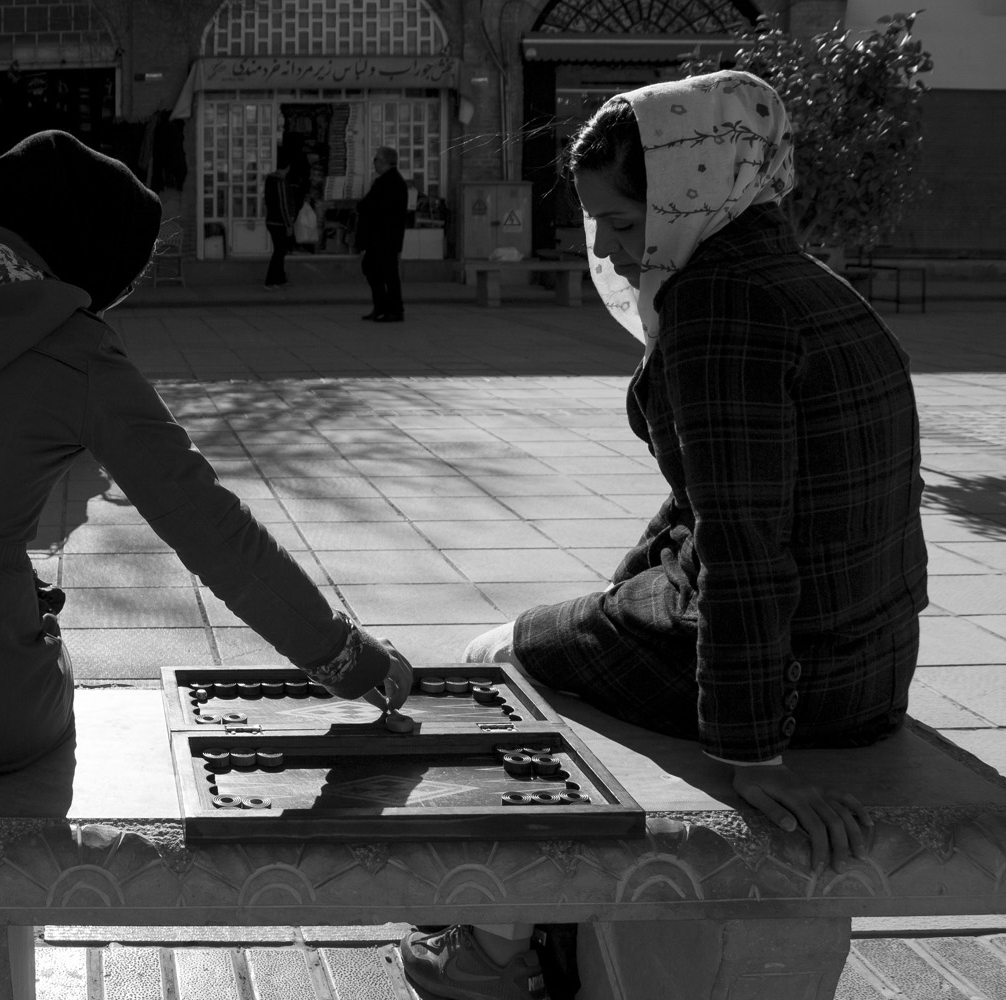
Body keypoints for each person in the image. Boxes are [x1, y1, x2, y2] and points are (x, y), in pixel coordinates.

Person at [400, 70, 928, 1000]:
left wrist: (752, 754)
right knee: (572, 626)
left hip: (796, 683)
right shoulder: (811, 283)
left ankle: (492, 950)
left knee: (489, 664)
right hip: (870, 669)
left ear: (692, 193)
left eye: (622, 221)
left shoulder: (720, 306)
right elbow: (713, 504)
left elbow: (744, 545)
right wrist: (621, 594)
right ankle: (548, 926)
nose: (606, 247)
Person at [0, 129, 414, 787]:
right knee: (38, 640)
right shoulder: (75, 349)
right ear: (89, 264)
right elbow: (211, 529)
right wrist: (346, 658)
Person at [355, 146, 407, 322]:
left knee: (387, 273)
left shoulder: (389, 182)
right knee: (373, 270)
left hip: (384, 238)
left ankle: (394, 309)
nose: (374, 163)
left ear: (385, 161)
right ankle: (382, 306)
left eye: (376, 159)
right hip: (382, 237)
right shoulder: (389, 181)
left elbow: (372, 206)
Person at [263, 159, 304, 288]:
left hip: (272, 220)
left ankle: (280, 279)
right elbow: (283, 205)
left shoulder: (269, 180)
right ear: (287, 167)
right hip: (279, 222)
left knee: (281, 251)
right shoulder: (280, 181)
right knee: (279, 252)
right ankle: (270, 281)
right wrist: (288, 224)